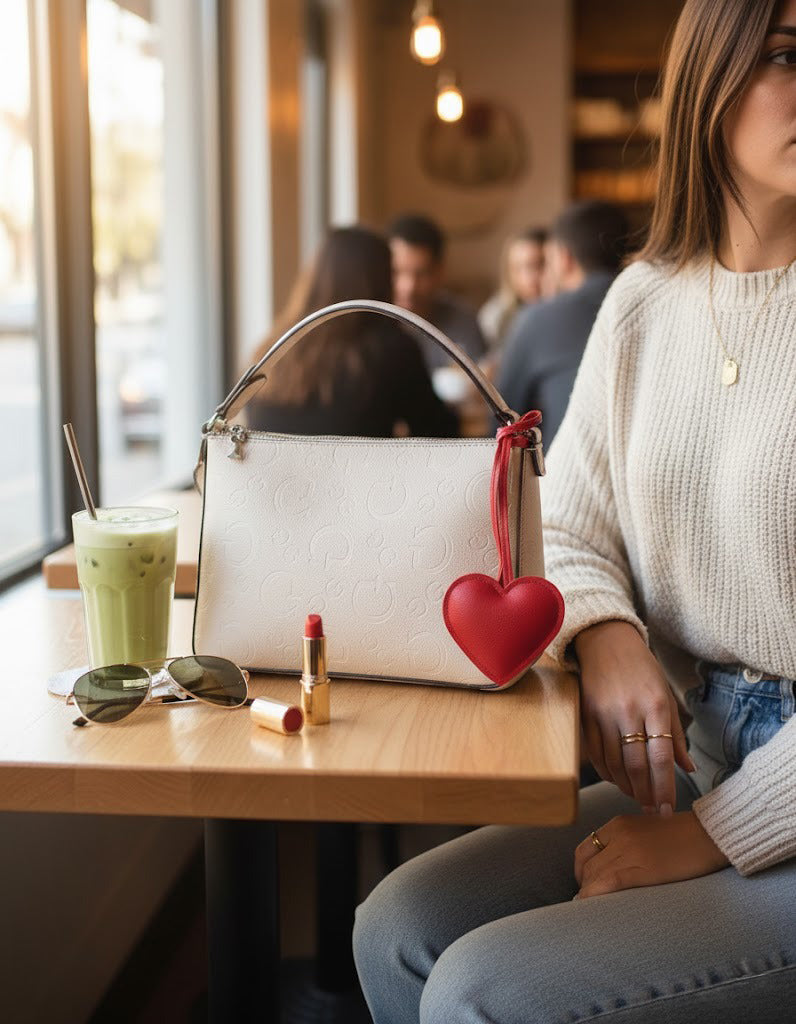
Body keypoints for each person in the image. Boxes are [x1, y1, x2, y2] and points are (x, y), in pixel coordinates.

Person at [353, 1, 796, 1021]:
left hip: (747, 798)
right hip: (703, 750)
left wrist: (707, 836)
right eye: (783, 55)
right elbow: (572, 518)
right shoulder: (646, 300)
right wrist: (604, 633)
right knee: (399, 929)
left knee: (479, 989)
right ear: (708, 81)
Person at [246, 226, 457, 438]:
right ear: (380, 279)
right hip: (354, 471)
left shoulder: (274, 349)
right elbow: (440, 434)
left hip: (274, 471)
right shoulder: (392, 349)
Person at [495, 200, 629, 443]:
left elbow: (503, 418)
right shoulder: (656, 310)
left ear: (564, 257)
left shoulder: (539, 320)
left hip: (561, 473)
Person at [388, 213, 487, 370]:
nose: (408, 287)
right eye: (397, 272)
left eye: (421, 274)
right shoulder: (370, 321)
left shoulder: (463, 321)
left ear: (439, 272)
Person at [478, 226, 548, 351]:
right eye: (518, 268)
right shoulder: (495, 316)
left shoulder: (566, 312)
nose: (529, 278)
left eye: (538, 265)